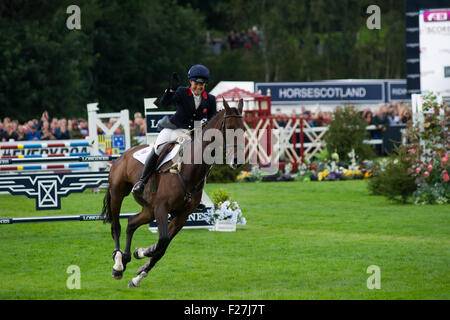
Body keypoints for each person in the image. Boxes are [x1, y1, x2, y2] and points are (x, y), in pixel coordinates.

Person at [132, 64, 217, 198]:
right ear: (190, 82)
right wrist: (171, 90)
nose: (199, 87)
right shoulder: (182, 92)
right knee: (158, 149)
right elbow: (164, 103)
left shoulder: (210, 99)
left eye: (202, 84)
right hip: (174, 128)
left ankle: (196, 194)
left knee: (200, 159)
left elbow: (212, 119)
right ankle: (142, 182)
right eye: (196, 83)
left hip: (191, 134)